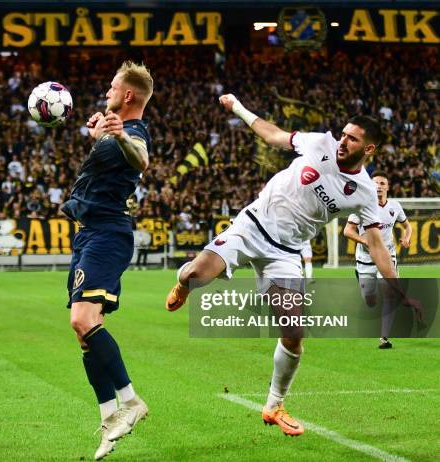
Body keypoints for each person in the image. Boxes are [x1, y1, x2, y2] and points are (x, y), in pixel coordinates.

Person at [165, 94, 420, 437]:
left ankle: (274, 405)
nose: (343, 141)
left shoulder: (363, 192)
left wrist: (400, 291)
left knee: (294, 330)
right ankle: (182, 284)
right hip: (252, 226)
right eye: (343, 134)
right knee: (195, 274)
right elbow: (272, 135)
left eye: (352, 138)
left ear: (369, 149)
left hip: (285, 253)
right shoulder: (319, 144)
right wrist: (238, 107)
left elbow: (377, 244)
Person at [61, 61, 153, 461]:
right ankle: (108, 418)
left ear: (128, 94)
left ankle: (131, 401)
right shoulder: (113, 132)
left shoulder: (134, 131)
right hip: (87, 234)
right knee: (83, 331)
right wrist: (99, 136)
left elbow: (142, 159)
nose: (107, 90)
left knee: (83, 320)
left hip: (107, 233)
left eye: (112, 86)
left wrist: (116, 135)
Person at [343, 172, 412, 349]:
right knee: (370, 301)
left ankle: (384, 338)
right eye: (375, 183)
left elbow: (407, 225)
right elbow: (348, 231)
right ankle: (363, 279)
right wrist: (365, 240)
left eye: (382, 183)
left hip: (387, 256)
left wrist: (406, 237)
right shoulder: (362, 206)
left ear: (387, 187)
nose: (379, 186)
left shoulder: (395, 206)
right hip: (365, 259)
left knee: (389, 295)